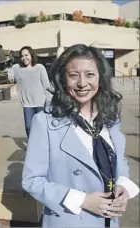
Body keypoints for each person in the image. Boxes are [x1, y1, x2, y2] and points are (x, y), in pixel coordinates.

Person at [22, 44, 139, 228]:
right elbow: (32, 181)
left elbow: (119, 160)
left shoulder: (110, 116)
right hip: (70, 221)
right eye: (74, 75)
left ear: (100, 78)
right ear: (63, 79)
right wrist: (82, 200)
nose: (82, 83)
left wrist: (123, 185)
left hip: (110, 220)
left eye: (90, 74)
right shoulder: (44, 122)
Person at [8, 46, 51, 138]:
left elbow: (46, 86)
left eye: (26, 55)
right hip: (27, 104)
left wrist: (49, 101)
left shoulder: (40, 67)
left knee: (41, 127)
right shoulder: (18, 68)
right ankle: (32, 145)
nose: (24, 58)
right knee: (28, 127)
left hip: (40, 103)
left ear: (31, 55)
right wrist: (10, 76)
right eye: (22, 56)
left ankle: (43, 145)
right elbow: (9, 69)